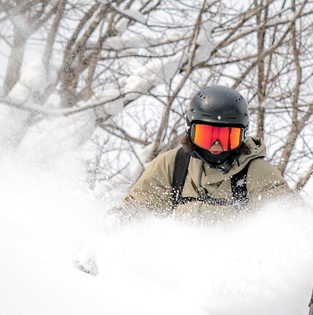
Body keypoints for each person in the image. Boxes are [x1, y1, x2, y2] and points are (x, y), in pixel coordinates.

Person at [118, 85, 292, 221]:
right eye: (206, 136)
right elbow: (137, 209)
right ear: (190, 131)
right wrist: (113, 227)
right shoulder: (173, 165)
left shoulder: (257, 173)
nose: (216, 146)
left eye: (226, 137)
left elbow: (289, 218)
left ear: (243, 135)